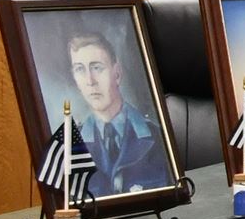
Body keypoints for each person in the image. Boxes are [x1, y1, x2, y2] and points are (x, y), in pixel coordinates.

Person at [63, 28, 173, 193]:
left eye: (97, 68)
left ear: (117, 74)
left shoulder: (157, 136)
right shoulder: (71, 148)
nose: (90, 81)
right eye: (80, 69)